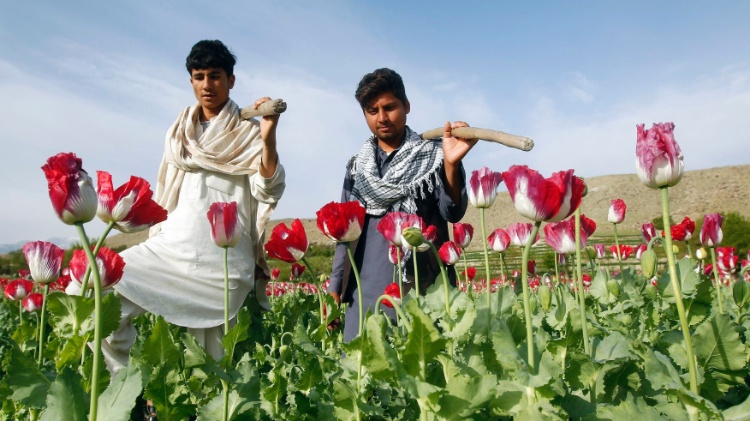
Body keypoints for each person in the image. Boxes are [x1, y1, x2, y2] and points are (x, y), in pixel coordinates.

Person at [69, 39, 286, 375]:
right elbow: (166, 194)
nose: (207, 85)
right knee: (92, 285)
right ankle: (122, 391)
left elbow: (268, 187)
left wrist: (269, 136)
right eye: (199, 76)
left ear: (231, 80)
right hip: (171, 248)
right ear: (191, 81)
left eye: (215, 76)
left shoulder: (249, 132)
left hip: (222, 261)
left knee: (211, 369)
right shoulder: (178, 133)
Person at [327, 68, 478, 341]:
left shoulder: (433, 155)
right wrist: (336, 285)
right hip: (365, 291)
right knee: (365, 372)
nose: (382, 118)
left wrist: (452, 164)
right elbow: (344, 234)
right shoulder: (357, 168)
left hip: (423, 290)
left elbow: (452, 211)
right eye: (372, 111)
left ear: (406, 106)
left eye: (389, 107)